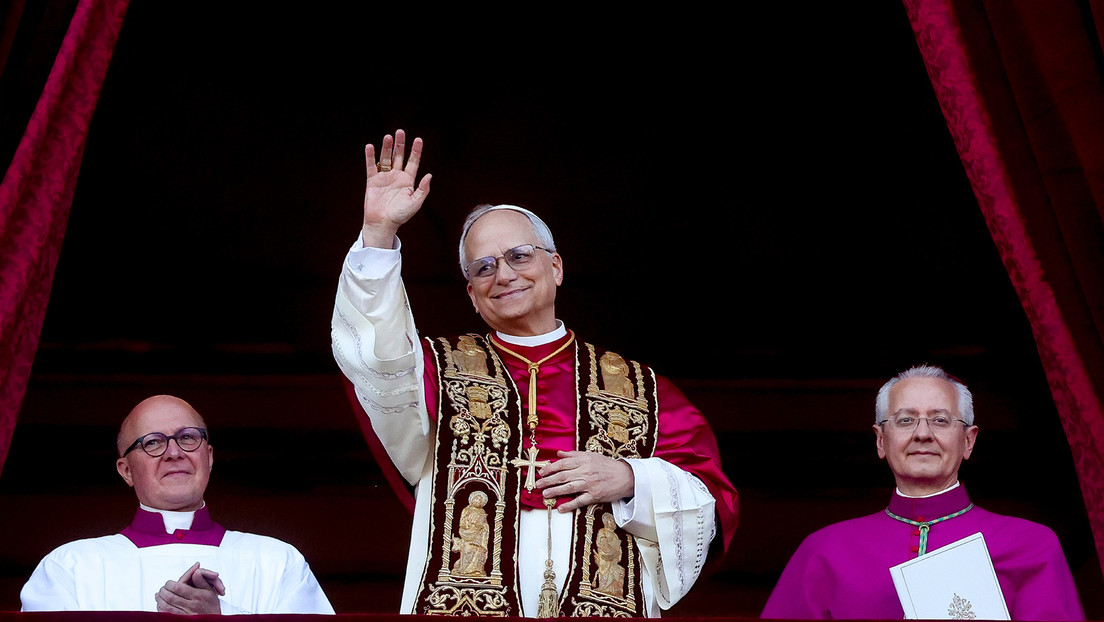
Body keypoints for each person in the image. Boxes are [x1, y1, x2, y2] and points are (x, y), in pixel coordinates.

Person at [330, 129, 739, 617]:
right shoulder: (434, 371)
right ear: (472, 297)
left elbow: (711, 503)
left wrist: (631, 477)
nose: (503, 274)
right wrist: (379, 235)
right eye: (483, 268)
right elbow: (373, 359)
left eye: (519, 256)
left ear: (557, 267)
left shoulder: (640, 388)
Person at [761, 364, 1085, 620]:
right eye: (905, 420)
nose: (923, 434)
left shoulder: (1031, 546)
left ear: (969, 440)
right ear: (880, 440)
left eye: (940, 420)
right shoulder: (824, 551)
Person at [20, 395, 335, 615]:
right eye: (152, 442)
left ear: (208, 457)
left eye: (187, 437)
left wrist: (222, 616)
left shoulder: (278, 561)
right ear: (126, 470)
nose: (174, 453)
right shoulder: (70, 566)